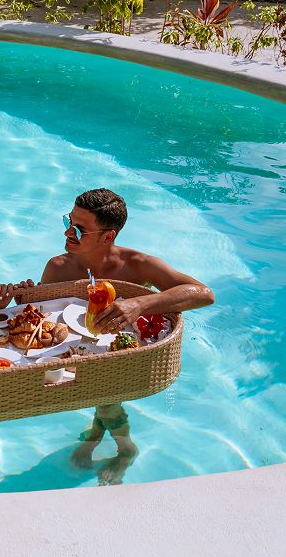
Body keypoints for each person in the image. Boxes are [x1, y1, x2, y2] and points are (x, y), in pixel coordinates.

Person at [42, 187, 215, 484]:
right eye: (68, 222)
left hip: (127, 353)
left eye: (79, 229)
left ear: (108, 236)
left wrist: (141, 302)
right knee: (100, 393)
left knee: (107, 397)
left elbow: (204, 294)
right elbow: (40, 319)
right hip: (80, 353)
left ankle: (126, 449)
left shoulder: (136, 265)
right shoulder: (58, 267)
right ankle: (97, 431)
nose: (68, 233)